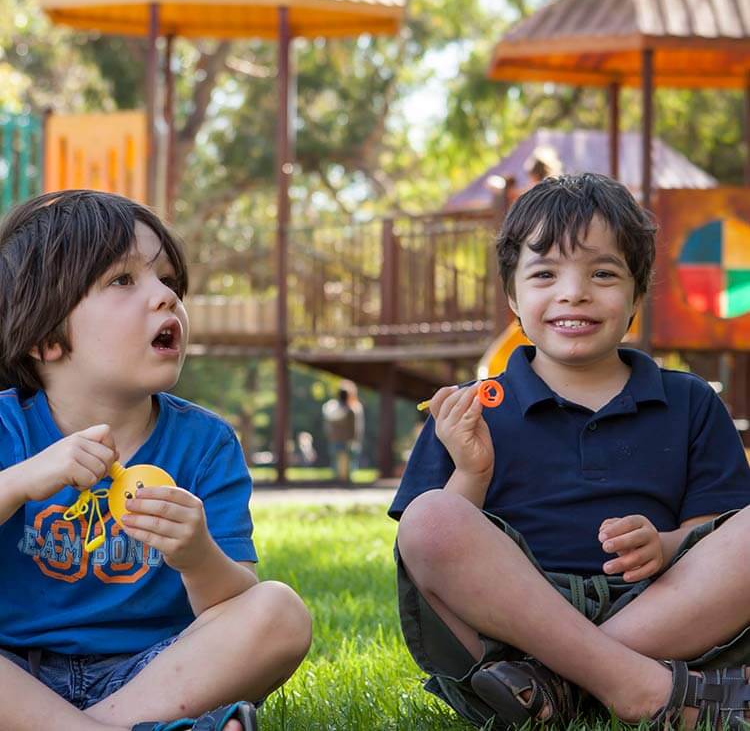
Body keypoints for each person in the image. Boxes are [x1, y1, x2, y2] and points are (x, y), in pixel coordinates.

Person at [388, 173, 750, 730]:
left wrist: (666, 543)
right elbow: (432, 553)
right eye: (545, 274)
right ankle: (632, 687)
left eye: (602, 273)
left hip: (655, 614)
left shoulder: (691, 401)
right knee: (430, 517)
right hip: (509, 633)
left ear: (637, 291)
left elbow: (715, 535)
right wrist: (471, 470)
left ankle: (560, 685)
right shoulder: (471, 411)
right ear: (513, 296)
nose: (573, 292)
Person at [0, 190, 312, 731]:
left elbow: (232, 602)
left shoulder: (206, 444)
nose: (165, 296)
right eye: (124, 280)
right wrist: (21, 481)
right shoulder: (7, 428)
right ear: (48, 338)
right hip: (14, 675)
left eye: (168, 279)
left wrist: (196, 554)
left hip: (149, 675)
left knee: (279, 611)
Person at [321, 380, 364, 481]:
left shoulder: (331, 408)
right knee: (346, 461)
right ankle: (344, 479)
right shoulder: (352, 409)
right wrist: (356, 438)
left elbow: (328, 425)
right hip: (347, 439)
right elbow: (356, 427)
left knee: (339, 461)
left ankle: (340, 478)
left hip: (336, 439)